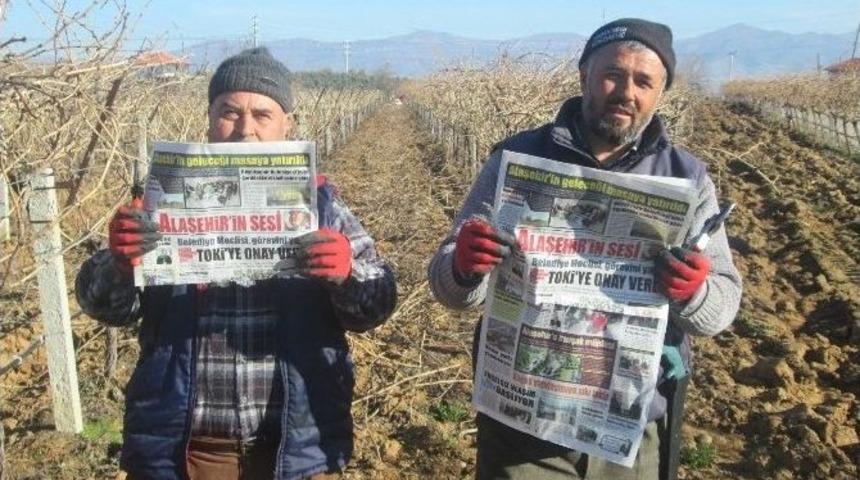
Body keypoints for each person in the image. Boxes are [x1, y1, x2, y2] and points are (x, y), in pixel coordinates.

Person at [427, 18, 742, 480]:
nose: (626, 92)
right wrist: (463, 266)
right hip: (524, 432)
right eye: (612, 74)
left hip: (629, 432)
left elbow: (723, 304)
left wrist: (695, 291)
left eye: (644, 81)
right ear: (584, 77)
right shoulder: (516, 160)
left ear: (660, 93)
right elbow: (449, 288)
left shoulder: (687, 179)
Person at [76, 47, 397, 480]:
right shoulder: (162, 199)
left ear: (288, 124)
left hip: (293, 449)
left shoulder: (321, 206)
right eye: (230, 112)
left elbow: (375, 304)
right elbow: (103, 307)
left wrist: (347, 275)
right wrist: (119, 263)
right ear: (209, 120)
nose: (246, 129)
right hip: (186, 452)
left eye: (262, 115)